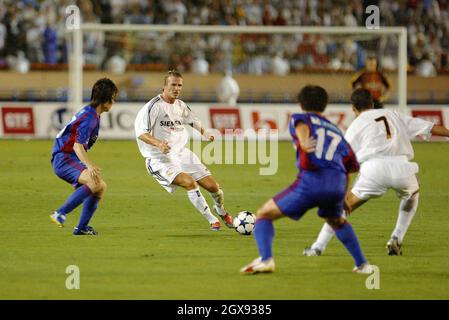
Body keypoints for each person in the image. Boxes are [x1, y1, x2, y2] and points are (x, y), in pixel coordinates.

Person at [240, 85, 373, 275]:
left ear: (301, 103)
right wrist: (344, 195)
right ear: (325, 105)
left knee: (264, 214)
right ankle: (363, 265)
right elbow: (350, 165)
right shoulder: (336, 130)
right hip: (337, 183)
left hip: (312, 180)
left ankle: (266, 259)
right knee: (336, 220)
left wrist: (303, 142)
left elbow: (303, 129)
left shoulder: (300, 118)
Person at [303, 88, 449, 257]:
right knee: (413, 193)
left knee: (344, 207)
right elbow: (431, 128)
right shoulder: (393, 115)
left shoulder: (356, 125)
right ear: (372, 104)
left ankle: (317, 247)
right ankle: (396, 238)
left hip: (373, 170)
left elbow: (343, 159)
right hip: (402, 167)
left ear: (353, 108)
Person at [134, 70, 233, 231]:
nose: (177, 88)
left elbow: (192, 120)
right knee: (190, 183)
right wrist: (158, 143)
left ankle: (221, 211)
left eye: (179, 85)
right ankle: (212, 219)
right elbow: (141, 133)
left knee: (214, 187)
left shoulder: (180, 105)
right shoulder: (153, 107)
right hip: (160, 158)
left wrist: (205, 133)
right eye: (173, 84)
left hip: (182, 154)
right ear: (164, 86)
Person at [49, 78, 118, 235]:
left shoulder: (92, 113)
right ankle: (60, 213)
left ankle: (81, 228)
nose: (114, 101)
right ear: (106, 99)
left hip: (68, 158)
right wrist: (90, 165)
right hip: (64, 158)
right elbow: (77, 145)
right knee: (95, 182)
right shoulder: (90, 117)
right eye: (113, 97)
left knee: (100, 187)